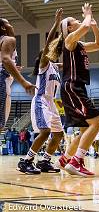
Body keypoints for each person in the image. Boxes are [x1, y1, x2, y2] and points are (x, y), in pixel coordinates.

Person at [53, 3, 99, 176]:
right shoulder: (70, 40)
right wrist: (87, 15)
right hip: (73, 86)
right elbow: (85, 26)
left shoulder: (79, 44)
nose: (78, 20)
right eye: (74, 20)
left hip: (75, 87)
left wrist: (95, 26)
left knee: (84, 130)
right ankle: (77, 161)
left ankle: (65, 158)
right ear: (69, 27)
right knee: (96, 123)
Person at [18, 9, 64, 174]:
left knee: (58, 135)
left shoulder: (55, 67)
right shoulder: (44, 64)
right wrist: (57, 24)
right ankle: (26, 160)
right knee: (45, 132)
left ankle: (45, 161)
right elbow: (49, 44)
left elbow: (68, 59)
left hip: (52, 103)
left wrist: (69, 38)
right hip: (41, 101)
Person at [0, 18, 35, 131]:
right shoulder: (8, 39)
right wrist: (23, 82)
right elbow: (5, 59)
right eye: (8, 23)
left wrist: (12, 68)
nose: (11, 26)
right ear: (3, 27)